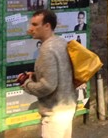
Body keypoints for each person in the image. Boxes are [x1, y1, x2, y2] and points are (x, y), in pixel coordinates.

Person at [20, 9, 77, 138]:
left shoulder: (47, 50)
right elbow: (60, 72)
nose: (31, 29)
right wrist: (35, 75)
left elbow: (48, 86)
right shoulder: (61, 42)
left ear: (47, 26)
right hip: (66, 108)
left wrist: (27, 83)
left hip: (54, 114)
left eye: (35, 25)